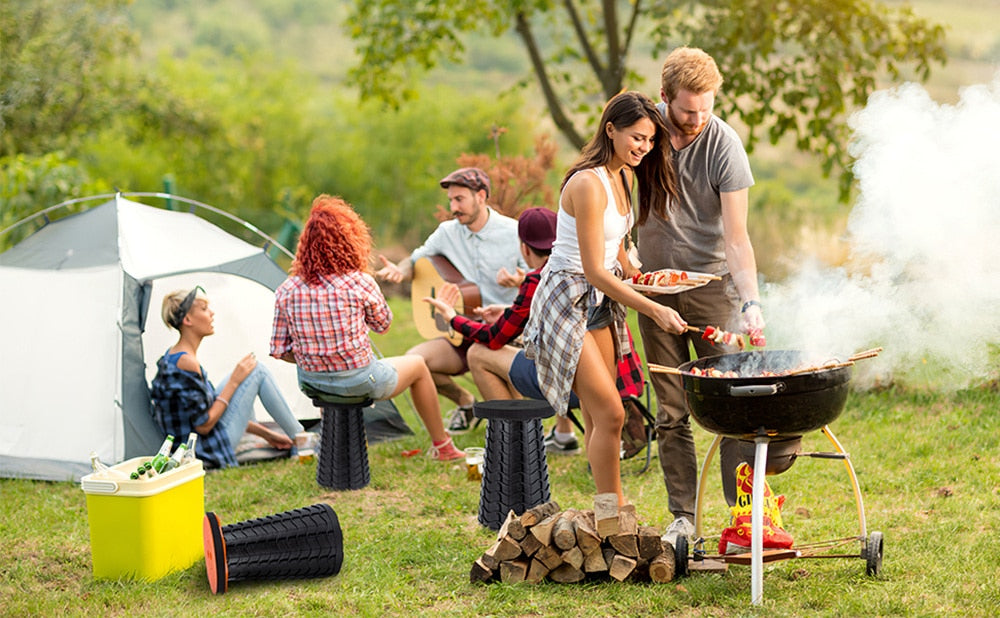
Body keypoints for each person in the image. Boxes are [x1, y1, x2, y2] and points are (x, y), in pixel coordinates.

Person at [523, 91, 687, 506]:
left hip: (599, 302)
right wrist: (653, 307)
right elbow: (594, 268)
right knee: (613, 413)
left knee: (602, 415)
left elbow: (614, 248)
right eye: (637, 137)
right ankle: (611, 511)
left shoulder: (623, 176)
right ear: (610, 130)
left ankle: (606, 508)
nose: (643, 148)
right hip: (567, 300)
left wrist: (642, 278)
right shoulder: (587, 184)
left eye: (650, 141)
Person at [636, 46, 767, 547]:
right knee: (671, 412)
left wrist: (750, 301)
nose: (696, 119)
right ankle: (683, 519)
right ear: (664, 97)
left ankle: (743, 518)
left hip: (715, 290)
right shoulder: (643, 137)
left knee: (731, 406)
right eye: (687, 110)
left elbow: (737, 237)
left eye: (705, 108)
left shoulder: (724, 144)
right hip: (655, 292)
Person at [270, 194, 464, 461]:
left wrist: (317, 357)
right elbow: (383, 325)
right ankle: (444, 447)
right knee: (418, 365)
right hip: (360, 380)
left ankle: (338, 450)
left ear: (305, 245)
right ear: (350, 240)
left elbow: (279, 350)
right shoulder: (359, 282)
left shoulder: (287, 289)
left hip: (311, 382)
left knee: (332, 386)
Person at [375, 167, 526, 433]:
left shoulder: (513, 232)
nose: (454, 207)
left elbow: (535, 278)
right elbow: (416, 260)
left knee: (514, 396)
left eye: (460, 199)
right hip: (462, 329)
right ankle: (465, 403)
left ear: (481, 196)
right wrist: (400, 271)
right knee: (415, 362)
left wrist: (518, 280)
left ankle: (515, 430)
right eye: (451, 200)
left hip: (503, 332)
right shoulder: (447, 232)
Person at [422, 207, 580, 453]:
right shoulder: (579, 270)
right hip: (601, 379)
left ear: (525, 248)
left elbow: (494, 338)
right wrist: (508, 310)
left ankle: (515, 444)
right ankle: (542, 436)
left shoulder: (537, 279)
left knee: (479, 353)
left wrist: (452, 318)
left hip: (564, 384)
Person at [150, 287, 305, 470]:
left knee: (249, 371)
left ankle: (299, 438)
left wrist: (267, 435)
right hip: (203, 449)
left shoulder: (175, 356)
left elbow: (208, 408)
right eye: (204, 309)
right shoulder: (186, 363)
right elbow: (204, 425)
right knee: (257, 372)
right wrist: (234, 382)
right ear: (188, 320)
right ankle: (303, 441)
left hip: (197, 442)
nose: (212, 313)